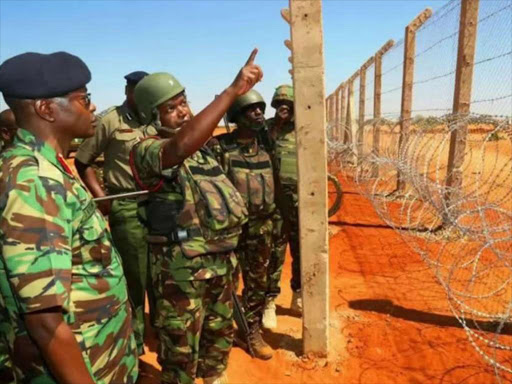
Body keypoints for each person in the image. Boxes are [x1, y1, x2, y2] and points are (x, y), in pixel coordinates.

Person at [0, 51, 137, 384]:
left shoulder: (50, 168)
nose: (91, 107)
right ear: (47, 109)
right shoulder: (35, 182)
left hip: (102, 356)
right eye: (83, 99)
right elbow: (45, 321)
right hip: (83, 368)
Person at [130, 49, 262, 384]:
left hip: (221, 266)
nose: (182, 112)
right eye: (170, 108)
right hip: (181, 274)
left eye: (183, 102)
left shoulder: (203, 149)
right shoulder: (146, 150)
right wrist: (231, 93)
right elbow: (178, 148)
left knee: (218, 344)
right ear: (151, 116)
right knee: (180, 356)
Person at [74, 70, 156, 355]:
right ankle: (134, 340)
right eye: (136, 90)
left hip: (159, 205)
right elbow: (82, 161)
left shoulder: (156, 118)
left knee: (160, 272)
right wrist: (100, 196)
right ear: (128, 91)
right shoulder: (110, 120)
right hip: (127, 206)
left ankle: (161, 330)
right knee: (134, 276)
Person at [209, 89, 274, 359]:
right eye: (252, 109)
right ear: (237, 115)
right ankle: (218, 337)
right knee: (224, 284)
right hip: (229, 231)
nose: (259, 113)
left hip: (261, 228)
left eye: (261, 108)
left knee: (257, 283)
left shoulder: (268, 147)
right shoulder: (219, 147)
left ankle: (251, 331)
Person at [260, 85, 302, 326]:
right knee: (274, 251)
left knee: (301, 250)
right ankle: (269, 301)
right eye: (279, 104)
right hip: (274, 201)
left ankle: (297, 294)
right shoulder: (266, 129)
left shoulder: (302, 130)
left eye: (288, 104)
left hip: (298, 201)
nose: (283, 109)